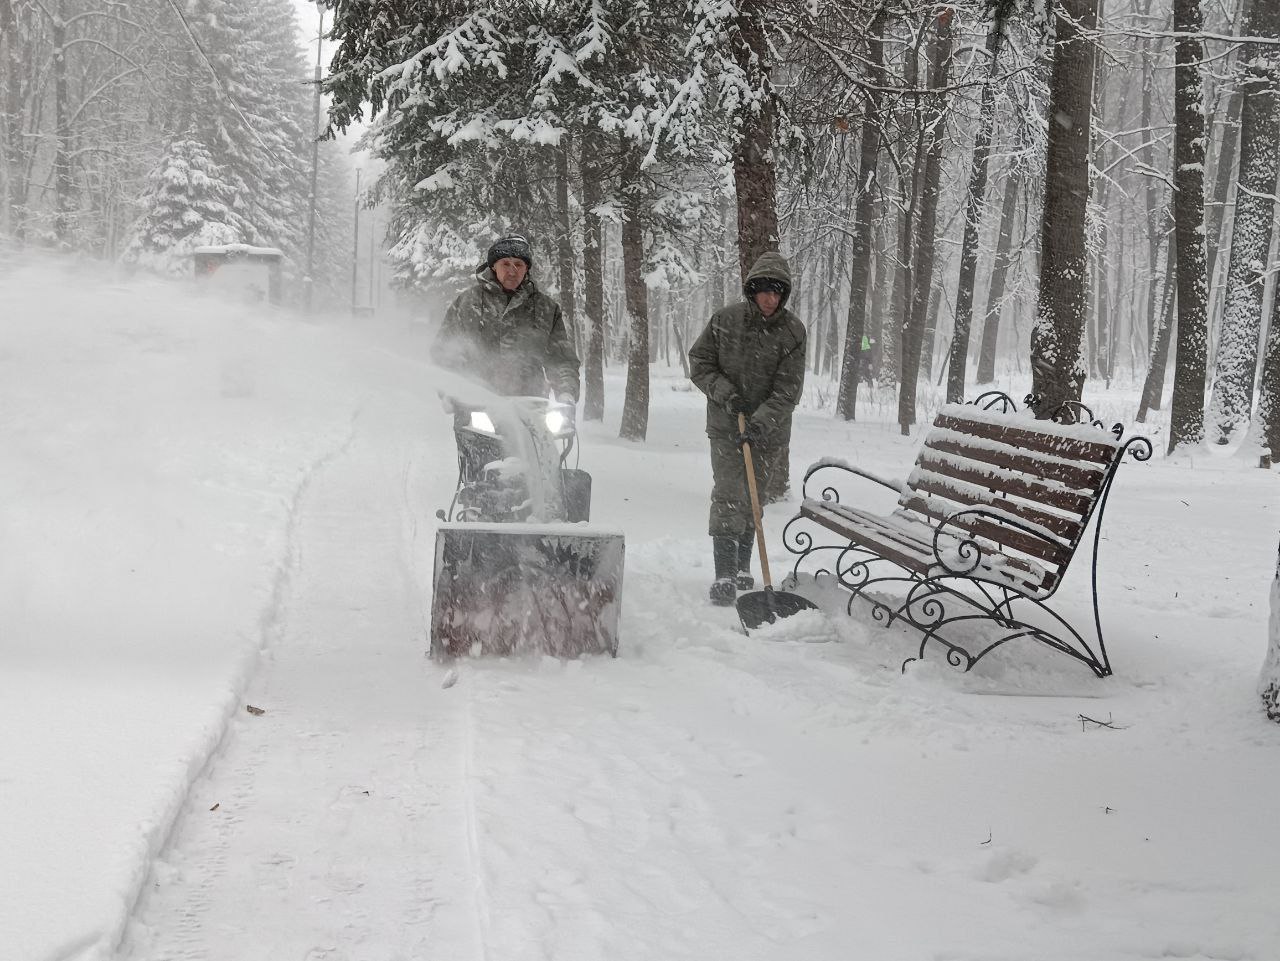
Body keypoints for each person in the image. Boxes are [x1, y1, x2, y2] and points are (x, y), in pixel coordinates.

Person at [689, 251, 807, 606]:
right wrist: (727, 395)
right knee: (729, 494)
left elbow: (788, 390)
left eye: (777, 292)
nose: (770, 298)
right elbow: (700, 363)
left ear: (784, 294)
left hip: (768, 431)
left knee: (754, 500)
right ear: (752, 290)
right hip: (726, 425)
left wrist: (759, 423)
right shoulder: (725, 321)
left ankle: (743, 566)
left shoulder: (793, 332)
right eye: (764, 290)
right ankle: (725, 574)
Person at [431, 234, 580, 406]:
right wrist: (451, 391)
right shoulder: (467, 303)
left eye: (518, 264)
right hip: (476, 405)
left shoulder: (545, 309)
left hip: (532, 405)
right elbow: (444, 351)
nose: (512, 271)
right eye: (506, 264)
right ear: (494, 266)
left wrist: (566, 392)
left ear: (526, 268)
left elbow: (561, 359)